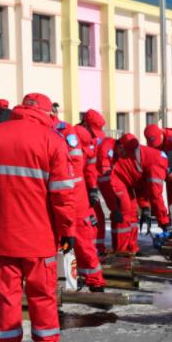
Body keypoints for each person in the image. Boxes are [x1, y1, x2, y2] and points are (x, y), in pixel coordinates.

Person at [0, 93, 75, 342]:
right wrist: (68, 229)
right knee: (42, 294)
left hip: (2, 234)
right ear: (44, 113)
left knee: (8, 296)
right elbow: (63, 195)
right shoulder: (52, 140)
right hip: (39, 236)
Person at [54, 120, 106, 291]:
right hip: (70, 197)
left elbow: (89, 165)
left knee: (82, 240)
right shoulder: (71, 134)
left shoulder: (78, 136)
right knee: (70, 240)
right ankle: (71, 279)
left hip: (74, 197)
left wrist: (92, 188)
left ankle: (91, 280)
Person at [110, 133, 172, 254]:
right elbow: (156, 195)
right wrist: (165, 223)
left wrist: (144, 207)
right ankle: (121, 252)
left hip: (128, 180)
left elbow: (141, 184)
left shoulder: (153, 160)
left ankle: (131, 248)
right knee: (125, 211)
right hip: (117, 177)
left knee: (133, 213)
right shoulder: (157, 165)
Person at [75, 109, 108, 256]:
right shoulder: (73, 138)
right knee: (85, 223)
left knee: (97, 217)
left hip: (85, 186)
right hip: (74, 188)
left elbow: (90, 167)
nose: (95, 136)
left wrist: (93, 187)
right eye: (93, 131)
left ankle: (95, 251)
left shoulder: (91, 141)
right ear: (86, 124)